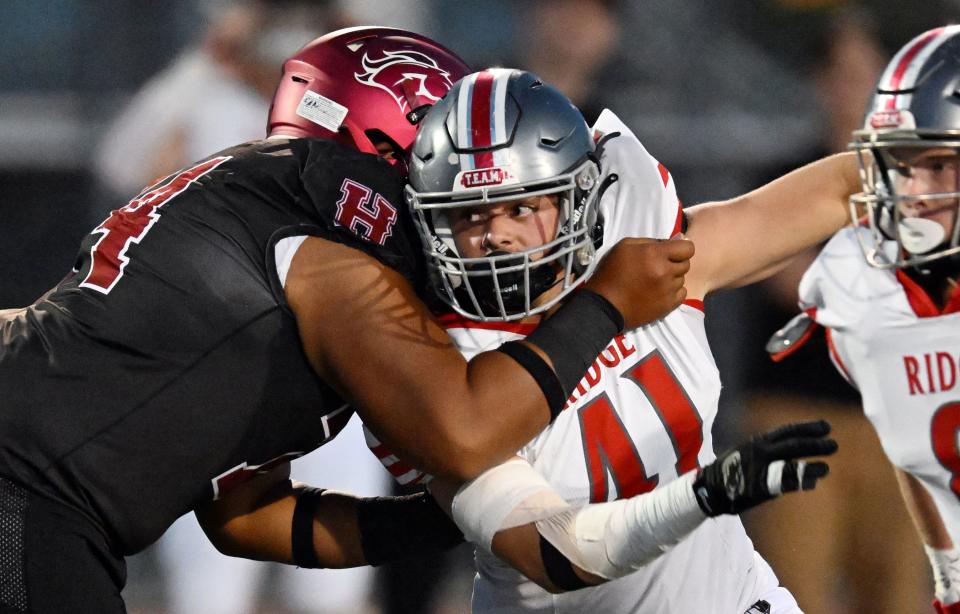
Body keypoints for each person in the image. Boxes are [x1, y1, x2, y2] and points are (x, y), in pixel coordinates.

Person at [0, 27, 695, 613]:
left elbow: (247, 516)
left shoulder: (262, 207)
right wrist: (606, 303)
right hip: (26, 494)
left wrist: (447, 519)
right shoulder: (328, 254)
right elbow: (465, 431)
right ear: (395, 146)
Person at [365, 67, 862, 612]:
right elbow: (559, 552)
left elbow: (839, 191)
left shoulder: (641, 259)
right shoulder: (434, 366)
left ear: (579, 197)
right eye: (469, 214)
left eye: (522, 207)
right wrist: (701, 495)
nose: (496, 234)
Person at [773, 25, 960, 613]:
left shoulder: (925, 182)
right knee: (793, 592)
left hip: (908, 420)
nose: (852, 88)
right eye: (842, 74)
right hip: (801, 413)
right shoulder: (792, 172)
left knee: (906, 594)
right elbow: (778, 275)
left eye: (865, 74)